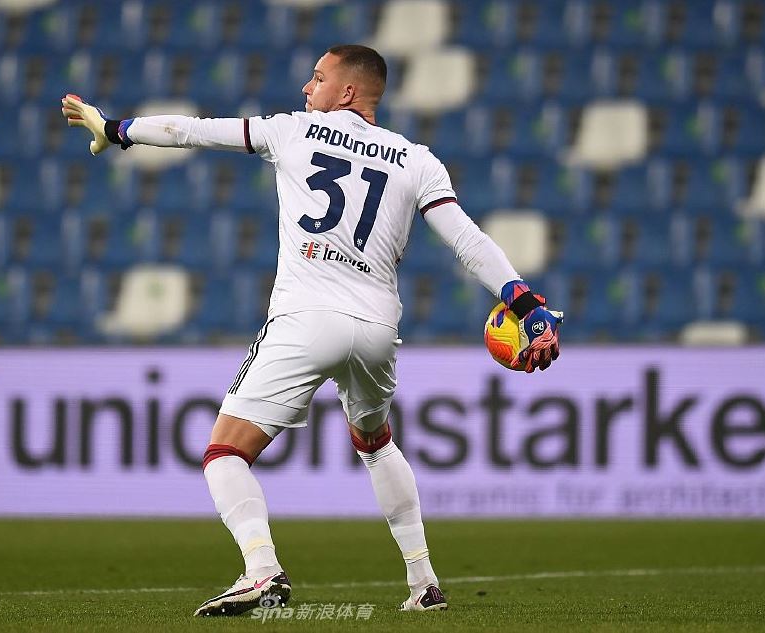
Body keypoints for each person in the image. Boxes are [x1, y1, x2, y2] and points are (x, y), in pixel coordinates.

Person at [61, 44, 563, 616]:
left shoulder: (293, 131)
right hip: (377, 329)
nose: (306, 87)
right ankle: (423, 582)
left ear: (347, 91)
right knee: (376, 443)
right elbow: (467, 240)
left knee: (224, 453)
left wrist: (118, 129)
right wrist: (525, 303)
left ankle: (262, 571)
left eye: (317, 77)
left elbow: (192, 131)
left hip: (306, 319)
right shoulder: (417, 159)